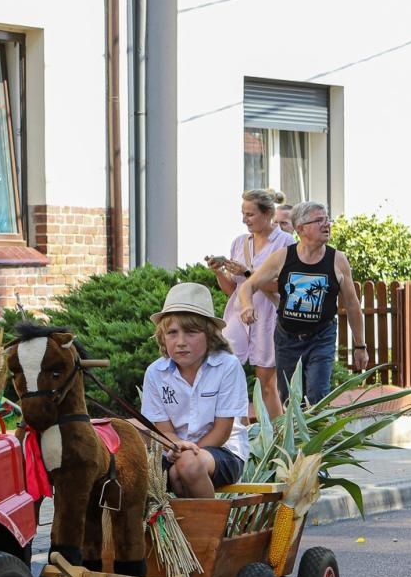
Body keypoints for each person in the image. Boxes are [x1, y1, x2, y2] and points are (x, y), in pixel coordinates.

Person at [249, 200, 368, 407]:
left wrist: (360, 345)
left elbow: (352, 305)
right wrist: (245, 305)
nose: (327, 224)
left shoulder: (337, 260)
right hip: (287, 339)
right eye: (319, 220)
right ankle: (295, 439)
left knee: (317, 396)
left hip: (321, 337)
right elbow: (248, 285)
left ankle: (318, 439)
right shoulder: (284, 257)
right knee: (289, 399)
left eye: (327, 219)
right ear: (301, 228)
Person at [141, 282, 249, 498]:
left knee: (187, 466)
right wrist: (176, 447)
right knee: (156, 472)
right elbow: (164, 430)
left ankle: (213, 529)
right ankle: (187, 530)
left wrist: (187, 453)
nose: (181, 342)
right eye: (172, 333)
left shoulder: (227, 366)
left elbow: (222, 431)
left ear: (209, 336)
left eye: (191, 333)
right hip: (173, 451)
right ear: (162, 337)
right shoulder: (155, 373)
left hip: (224, 452)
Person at [219, 189, 294, 420]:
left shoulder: (285, 242)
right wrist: (219, 271)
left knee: (267, 382)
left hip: (268, 315)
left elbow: (284, 287)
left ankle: (278, 439)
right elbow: (233, 289)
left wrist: (249, 273)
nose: (245, 220)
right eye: (243, 213)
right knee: (227, 371)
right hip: (238, 314)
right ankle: (239, 435)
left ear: (268, 213)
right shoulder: (239, 243)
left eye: (250, 214)